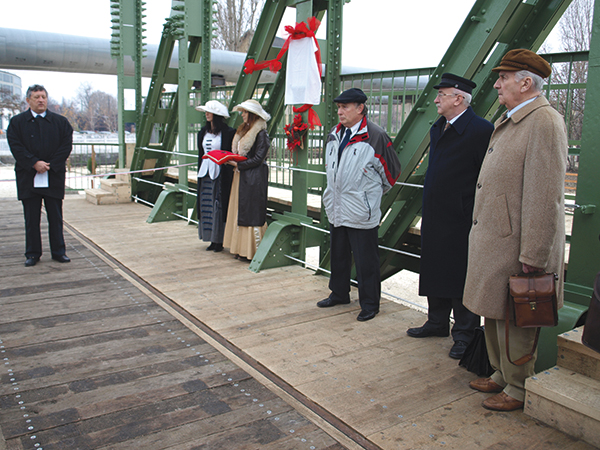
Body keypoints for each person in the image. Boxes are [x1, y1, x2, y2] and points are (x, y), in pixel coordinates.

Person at [463, 49, 568, 411]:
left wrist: (534, 255)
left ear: (526, 82)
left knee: (517, 318)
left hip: (518, 246)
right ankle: (500, 374)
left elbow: (545, 196)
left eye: (503, 78)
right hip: (498, 240)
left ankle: (519, 387)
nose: (496, 84)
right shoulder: (513, 119)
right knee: (495, 310)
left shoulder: (544, 122)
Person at [407, 74, 494, 359]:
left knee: (461, 275)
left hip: (461, 216)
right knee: (435, 267)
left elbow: (486, 176)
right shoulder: (439, 127)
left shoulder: (481, 130)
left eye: (441, 94)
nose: (436, 100)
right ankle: (436, 322)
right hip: (436, 212)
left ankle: (465, 334)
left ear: (459, 98)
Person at [317, 88, 401, 322]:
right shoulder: (334, 133)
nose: (339, 111)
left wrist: (367, 196)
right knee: (339, 255)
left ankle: (370, 304)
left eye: (345, 107)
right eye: (338, 107)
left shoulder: (375, 136)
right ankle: (339, 293)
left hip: (361, 211)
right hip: (337, 206)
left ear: (360, 108)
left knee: (366, 261)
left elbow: (391, 174)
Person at [7, 84, 73, 267]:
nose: (41, 100)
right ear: (28, 100)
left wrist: (50, 165)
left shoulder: (60, 123)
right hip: (28, 176)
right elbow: (16, 146)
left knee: (55, 216)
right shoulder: (17, 123)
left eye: (43, 96)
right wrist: (34, 163)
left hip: (54, 175)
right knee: (31, 218)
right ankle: (33, 253)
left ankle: (59, 252)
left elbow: (66, 145)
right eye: (36, 97)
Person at [223, 99, 271, 261]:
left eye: (244, 112)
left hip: (253, 178)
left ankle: (252, 250)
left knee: (250, 212)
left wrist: (238, 164)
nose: (242, 115)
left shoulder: (262, 133)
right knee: (241, 209)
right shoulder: (246, 130)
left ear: (252, 114)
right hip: (243, 175)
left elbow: (259, 158)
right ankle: (241, 249)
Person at [195, 100, 236, 252]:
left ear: (217, 115)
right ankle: (210, 238)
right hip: (205, 172)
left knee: (217, 204)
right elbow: (201, 154)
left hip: (220, 173)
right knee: (205, 204)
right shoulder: (202, 133)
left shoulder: (228, 133)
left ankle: (219, 240)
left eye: (209, 112)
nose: (206, 114)